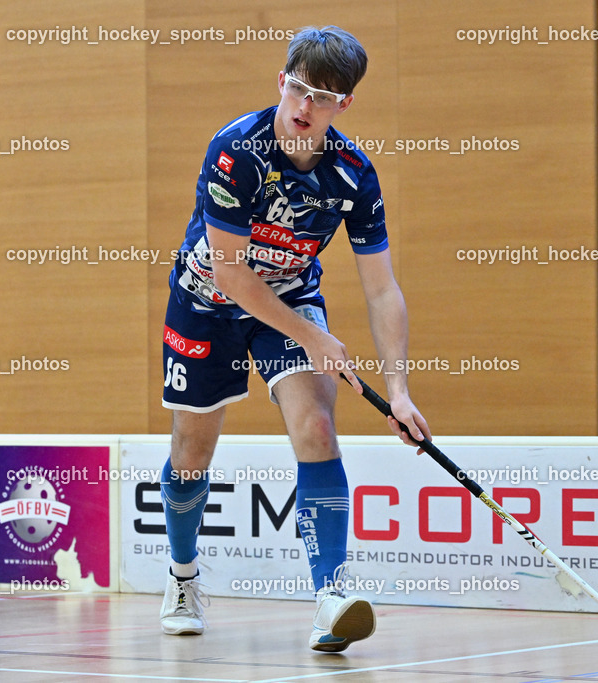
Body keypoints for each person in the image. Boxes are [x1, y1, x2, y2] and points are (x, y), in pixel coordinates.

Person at [159, 25, 431, 652]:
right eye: (299, 90)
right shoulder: (236, 151)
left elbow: (382, 289)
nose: (306, 108)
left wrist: (399, 390)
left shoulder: (354, 176)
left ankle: (330, 595)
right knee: (192, 448)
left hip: (289, 298)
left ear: (343, 106)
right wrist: (314, 336)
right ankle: (182, 576)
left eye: (324, 98)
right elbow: (229, 271)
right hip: (205, 303)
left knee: (316, 426)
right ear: (281, 82)